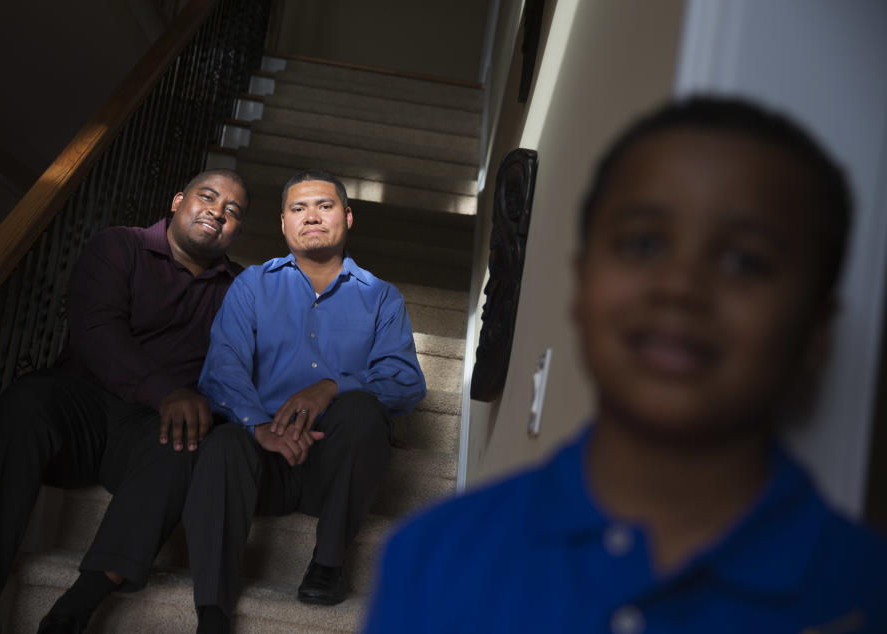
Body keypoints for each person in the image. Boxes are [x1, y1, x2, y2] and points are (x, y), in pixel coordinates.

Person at [362, 97, 887, 633]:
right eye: (642, 243)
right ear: (581, 283)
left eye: (745, 260)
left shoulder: (864, 593)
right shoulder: (435, 557)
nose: (680, 287)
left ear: (817, 328)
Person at [0, 168, 248, 634]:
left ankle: (75, 608)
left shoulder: (243, 290)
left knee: (191, 438)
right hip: (82, 405)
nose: (217, 212)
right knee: (25, 401)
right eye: (208, 197)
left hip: (149, 433)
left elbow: (266, 360)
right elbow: (96, 331)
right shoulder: (118, 246)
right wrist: (165, 390)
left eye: (232, 211)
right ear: (176, 200)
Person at [188, 169, 426, 633]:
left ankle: (328, 564)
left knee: (361, 408)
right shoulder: (252, 286)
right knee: (222, 445)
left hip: (335, 469)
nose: (311, 216)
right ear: (283, 224)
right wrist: (260, 427)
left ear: (347, 217)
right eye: (298, 209)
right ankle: (212, 611)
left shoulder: (381, 298)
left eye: (324, 206)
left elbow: (405, 382)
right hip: (261, 465)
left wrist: (333, 386)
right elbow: (222, 368)